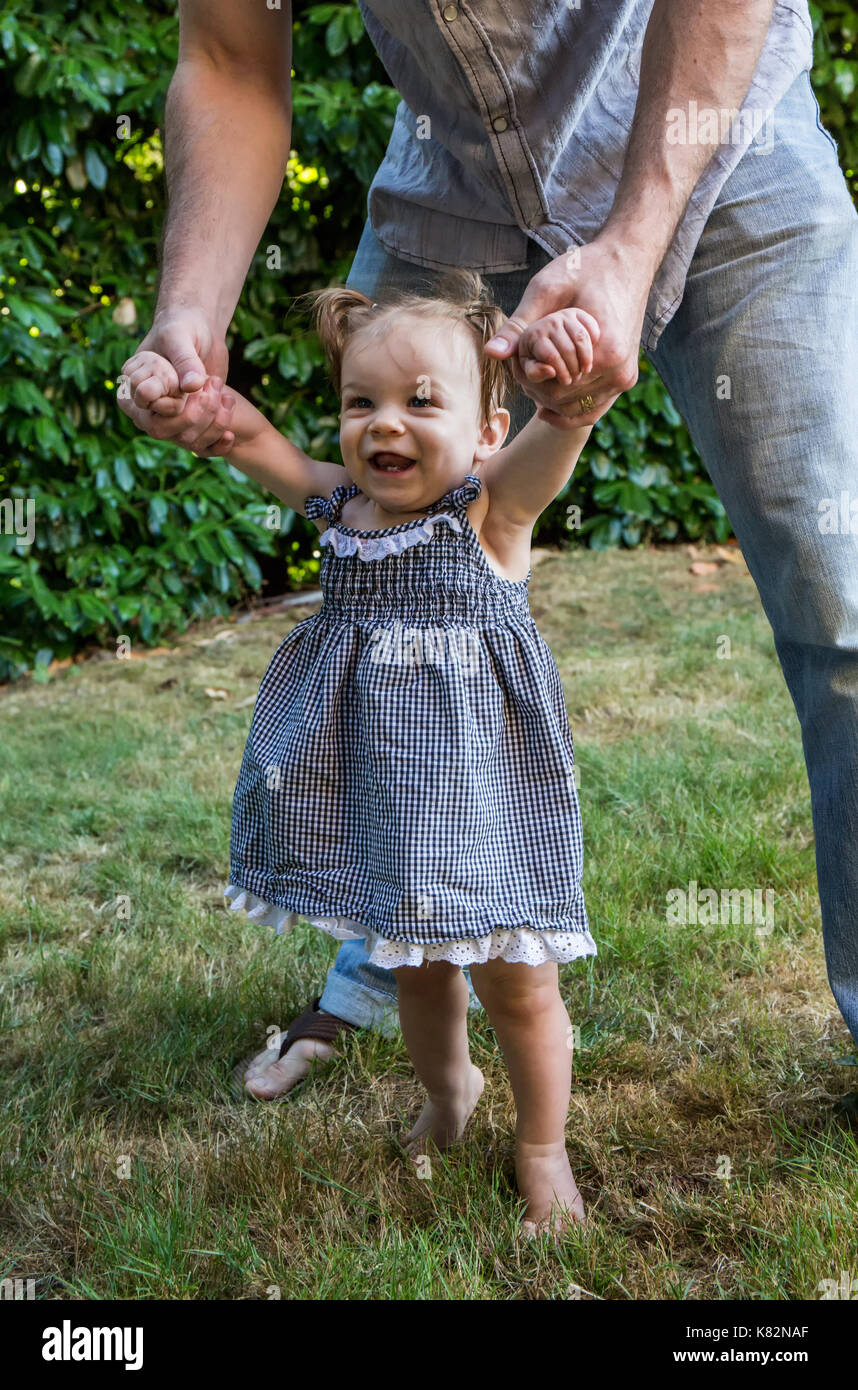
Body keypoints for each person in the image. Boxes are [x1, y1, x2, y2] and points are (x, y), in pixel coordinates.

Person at [117, 0, 858, 1115]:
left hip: (720, 137)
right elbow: (228, 56)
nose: (377, 416)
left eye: (415, 403)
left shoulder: (506, 476)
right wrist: (188, 319)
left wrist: (627, 246)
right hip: (453, 185)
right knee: (376, 633)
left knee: (841, 598)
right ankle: (390, 961)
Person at [121, 272, 602, 1234]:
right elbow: (259, 446)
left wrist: (575, 401)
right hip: (387, 805)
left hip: (486, 808)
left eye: (423, 402)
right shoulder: (342, 508)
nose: (386, 423)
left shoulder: (490, 513)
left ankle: (542, 1146)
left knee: (519, 978)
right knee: (418, 965)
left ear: (485, 433)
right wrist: (202, 406)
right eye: (361, 401)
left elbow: (557, 441)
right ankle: (449, 1091)